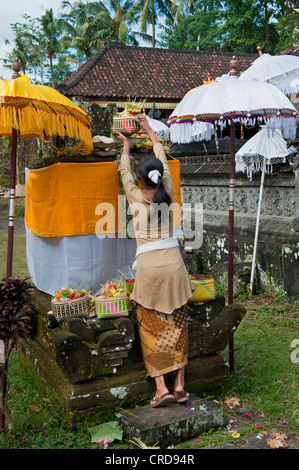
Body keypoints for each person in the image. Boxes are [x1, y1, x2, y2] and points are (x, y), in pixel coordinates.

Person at [116, 115, 194, 408]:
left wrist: (126, 145)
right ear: (160, 176)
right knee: (179, 326)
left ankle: (161, 386)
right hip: (174, 268)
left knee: (151, 329)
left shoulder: (135, 197)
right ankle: (180, 385)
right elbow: (160, 153)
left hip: (149, 271)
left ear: (139, 179)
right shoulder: (169, 190)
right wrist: (150, 130)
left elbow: (124, 170)